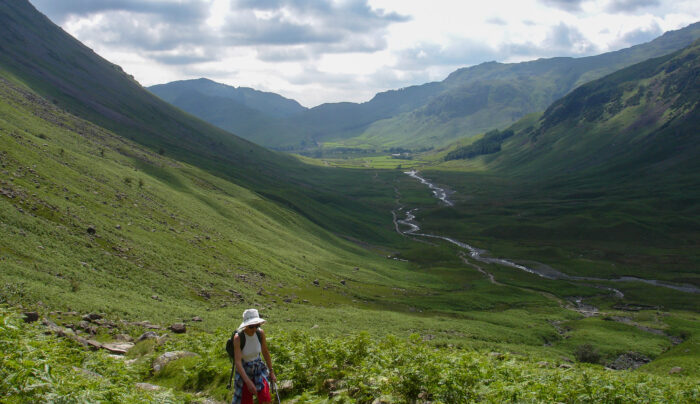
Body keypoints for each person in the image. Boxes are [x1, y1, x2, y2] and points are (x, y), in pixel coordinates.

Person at [231, 308, 276, 404]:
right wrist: (248, 382)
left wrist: (271, 371)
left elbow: (265, 352)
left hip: (258, 368)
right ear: (246, 326)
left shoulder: (260, 333)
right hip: (244, 370)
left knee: (265, 399)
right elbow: (238, 362)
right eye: (251, 326)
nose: (255, 329)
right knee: (245, 401)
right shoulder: (238, 338)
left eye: (257, 325)